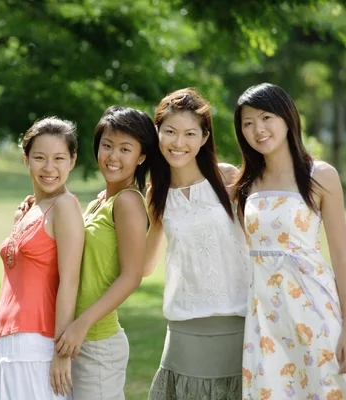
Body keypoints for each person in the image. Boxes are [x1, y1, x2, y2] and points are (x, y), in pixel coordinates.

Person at [235, 83, 346, 398]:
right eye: (248, 123)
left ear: (287, 118)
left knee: (324, 388)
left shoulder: (319, 175)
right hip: (264, 316)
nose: (258, 129)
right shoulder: (246, 184)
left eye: (266, 117)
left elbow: (341, 254)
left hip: (314, 306)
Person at [145, 88, 250, 400]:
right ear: (157, 132)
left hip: (239, 321)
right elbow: (145, 265)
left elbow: (257, 242)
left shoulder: (228, 178)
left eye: (190, 133)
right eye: (170, 132)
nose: (179, 143)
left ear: (204, 137)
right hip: (184, 326)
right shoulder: (156, 194)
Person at [54, 106, 162, 400]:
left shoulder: (127, 203)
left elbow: (132, 276)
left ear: (140, 157)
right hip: (74, 336)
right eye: (107, 146)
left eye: (125, 149)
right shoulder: (98, 202)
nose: (113, 156)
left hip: (97, 341)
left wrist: (81, 325)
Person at [0, 117, 85, 400]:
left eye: (59, 158)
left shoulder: (64, 206)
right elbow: (9, 285)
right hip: (7, 347)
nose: (49, 168)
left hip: (37, 347)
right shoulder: (28, 210)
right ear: (26, 159)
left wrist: (62, 354)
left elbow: (70, 282)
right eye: (40, 157)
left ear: (72, 161)